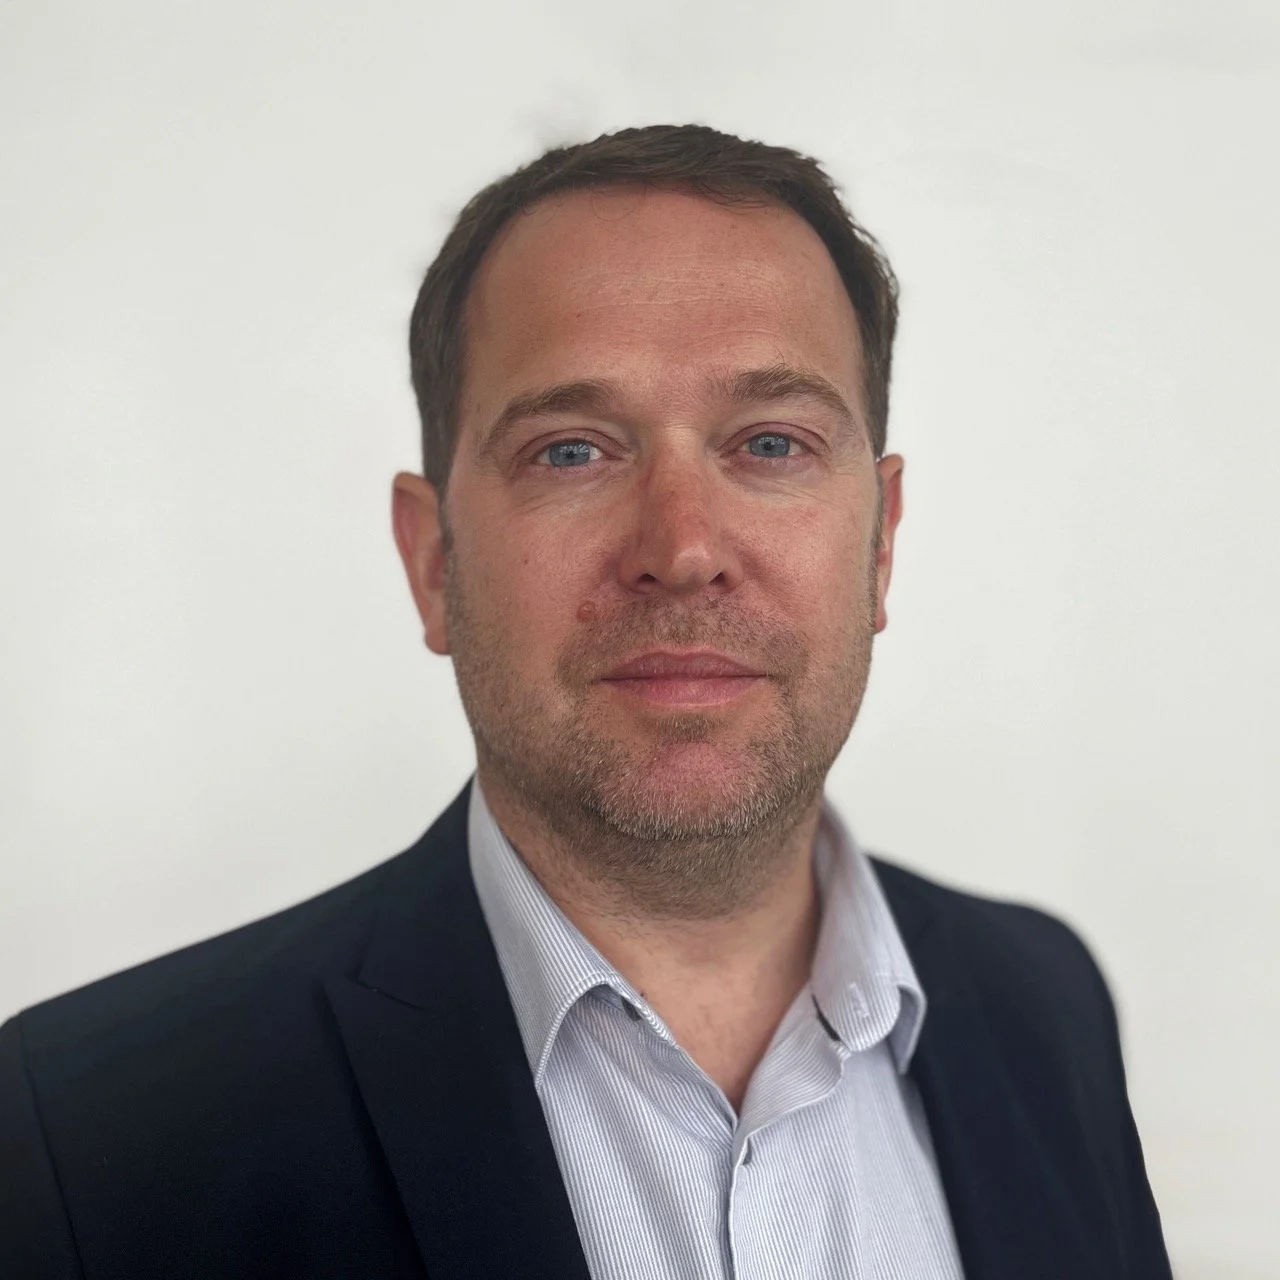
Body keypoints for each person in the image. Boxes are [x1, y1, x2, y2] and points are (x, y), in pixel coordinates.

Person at [0, 124, 1171, 1280]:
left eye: (769, 441)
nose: (684, 545)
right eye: (571, 451)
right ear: (434, 564)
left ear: (877, 548)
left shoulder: (1043, 1004)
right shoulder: (91, 1134)